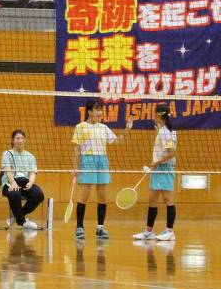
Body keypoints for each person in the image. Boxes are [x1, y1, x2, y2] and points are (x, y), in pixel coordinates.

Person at [72, 100, 130, 240]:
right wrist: (75, 167)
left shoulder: (103, 127)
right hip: (87, 161)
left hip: (102, 161)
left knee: (102, 197)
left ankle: (100, 228)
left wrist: (127, 129)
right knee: (84, 196)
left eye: (100, 110)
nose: (99, 112)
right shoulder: (80, 127)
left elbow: (118, 141)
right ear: (89, 111)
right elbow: (76, 149)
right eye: (97, 110)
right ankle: (79, 227)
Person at [133, 104, 178, 243]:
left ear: (159, 115)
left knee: (168, 199)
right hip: (158, 169)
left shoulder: (167, 132)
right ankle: (149, 231)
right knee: (152, 199)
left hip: (164, 168)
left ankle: (169, 232)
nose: (153, 116)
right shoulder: (163, 130)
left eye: (154, 113)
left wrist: (156, 162)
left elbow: (171, 153)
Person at [0, 130, 44, 230]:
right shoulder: (7, 154)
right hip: (9, 181)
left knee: (38, 195)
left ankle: (18, 216)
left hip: (25, 182)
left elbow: (32, 172)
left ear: (25, 140)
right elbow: (7, 170)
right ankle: (22, 222)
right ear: (13, 140)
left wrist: (31, 182)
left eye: (22, 138)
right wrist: (13, 183)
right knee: (15, 193)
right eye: (17, 138)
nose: (20, 140)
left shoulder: (30, 156)